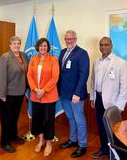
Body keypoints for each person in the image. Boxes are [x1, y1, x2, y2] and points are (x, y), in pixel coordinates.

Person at [90, 37, 127, 159]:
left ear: (111, 45)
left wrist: (119, 106)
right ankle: (104, 150)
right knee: (101, 127)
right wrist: (92, 97)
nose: (103, 47)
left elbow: (124, 87)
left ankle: (116, 153)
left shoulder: (121, 63)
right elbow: (93, 81)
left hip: (113, 103)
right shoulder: (96, 61)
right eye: (101, 45)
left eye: (106, 44)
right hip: (99, 99)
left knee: (113, 130)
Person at [58, 30, 89, 158]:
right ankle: (73, 140)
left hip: (76, 95)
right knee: (70, 118)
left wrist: (76, 93)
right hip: (64, 94)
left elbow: (84, 74)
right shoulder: (62, 52)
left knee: (79, 119)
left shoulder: (82, 53)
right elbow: (61, 73)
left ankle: (82, 145)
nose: (68, 41)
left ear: (75, 39)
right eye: (66, 39)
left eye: (71, 39)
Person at [27, 38, 59, 157]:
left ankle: (49, 143)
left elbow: (54, 78)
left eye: (45, 46)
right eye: (41, 46)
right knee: (38, 119)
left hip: (49, 95)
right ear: (37, 47)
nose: (43, 48)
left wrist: (44, 90)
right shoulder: (33, 59)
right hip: (35, 95)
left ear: (48, 47)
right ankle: (41, 141)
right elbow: (29, 76)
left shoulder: (53, 60)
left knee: (48, 120)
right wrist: (35, 89)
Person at [0, 36, 28, 153]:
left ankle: (13, 136)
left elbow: (26, 74)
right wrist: (2, 94)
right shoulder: (5, 57)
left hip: (20, 93)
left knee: (14, 117)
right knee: (6, 119)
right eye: (14, 44)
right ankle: (4, 142)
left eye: (18, 43)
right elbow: (1, 77)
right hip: (8, 94)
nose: (16, 46)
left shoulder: (24, 55)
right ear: (10, 45)